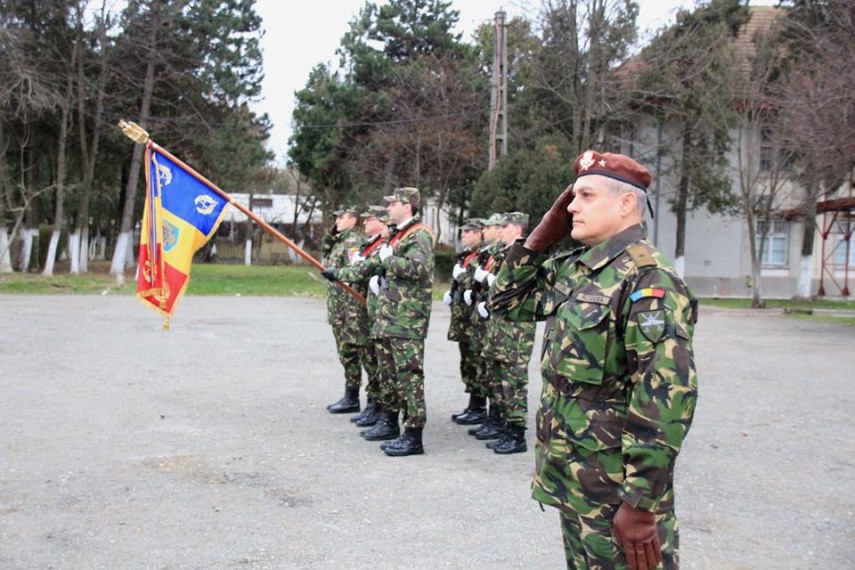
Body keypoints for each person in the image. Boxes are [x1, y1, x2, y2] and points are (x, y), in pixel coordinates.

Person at [489, 150, 698, 569]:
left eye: (585, 196)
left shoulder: (648, 279)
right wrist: (538, 241)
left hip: (616, 490)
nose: (570, 207)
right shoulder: (577, 268)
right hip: (573, 476)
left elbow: (665, 398)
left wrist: (640, 502)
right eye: (570, 198)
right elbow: (506, 302)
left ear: (625, 204)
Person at [358, 187, 435, 457]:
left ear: (407, 206)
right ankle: (391, 423)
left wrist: (388, 259)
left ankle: (413, 436)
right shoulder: (398, 234)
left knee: (409, 377)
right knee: (390, 375)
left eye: (394, 204)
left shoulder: (419, 234)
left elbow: (418, 268)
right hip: (390, 318)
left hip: (407, 321)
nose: (389, 209)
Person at [476, 212, 536, 455]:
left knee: (513, 382)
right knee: (498, 380)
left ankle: (516, 433)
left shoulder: (525, 254)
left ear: (517, 229)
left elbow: (513, 286)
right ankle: (504, 427)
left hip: (516, 330)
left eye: (504, 226)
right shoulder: (503, 253)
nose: (499, 230)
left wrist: (490, 280)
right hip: (499, 327)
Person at [320, 206, 368, 414]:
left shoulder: (353, 243)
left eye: (341, 217)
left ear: (353, 220)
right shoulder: (339, 240)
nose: (337, 220)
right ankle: (351, 396)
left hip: (350, 308)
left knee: (352, 352)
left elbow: (356, 272)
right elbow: (325, 249)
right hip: (338, 307)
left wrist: (337, 273)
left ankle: (356, 398)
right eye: (336, 216)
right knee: (345, 353)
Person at [444, 218, 487, 425]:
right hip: (463, 317)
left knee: (475, 361)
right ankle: (473, 404)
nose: (463, 235)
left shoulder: (481, 255)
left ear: (479, 234)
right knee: (467, 362)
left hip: (473, 319)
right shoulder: (467, 255)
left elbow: (475, 282)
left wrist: (461, 277)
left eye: (468, 231)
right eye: (463, 232)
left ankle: (479, 406)